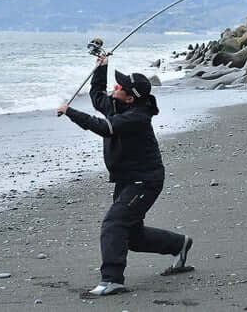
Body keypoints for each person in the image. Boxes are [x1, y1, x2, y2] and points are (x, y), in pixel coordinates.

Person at [57, 55, 193, 296]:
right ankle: (178, 244)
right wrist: (102, 67)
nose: (115, 87)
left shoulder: (137, 118)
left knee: (114, 224)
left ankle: (112, 280)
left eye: (120, 87)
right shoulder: (119, 104)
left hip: (145, 181)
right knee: (132, 236)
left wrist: (70, 112)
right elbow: (97, 95)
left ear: (130, 98)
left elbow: (104, 128)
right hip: (127, 180)